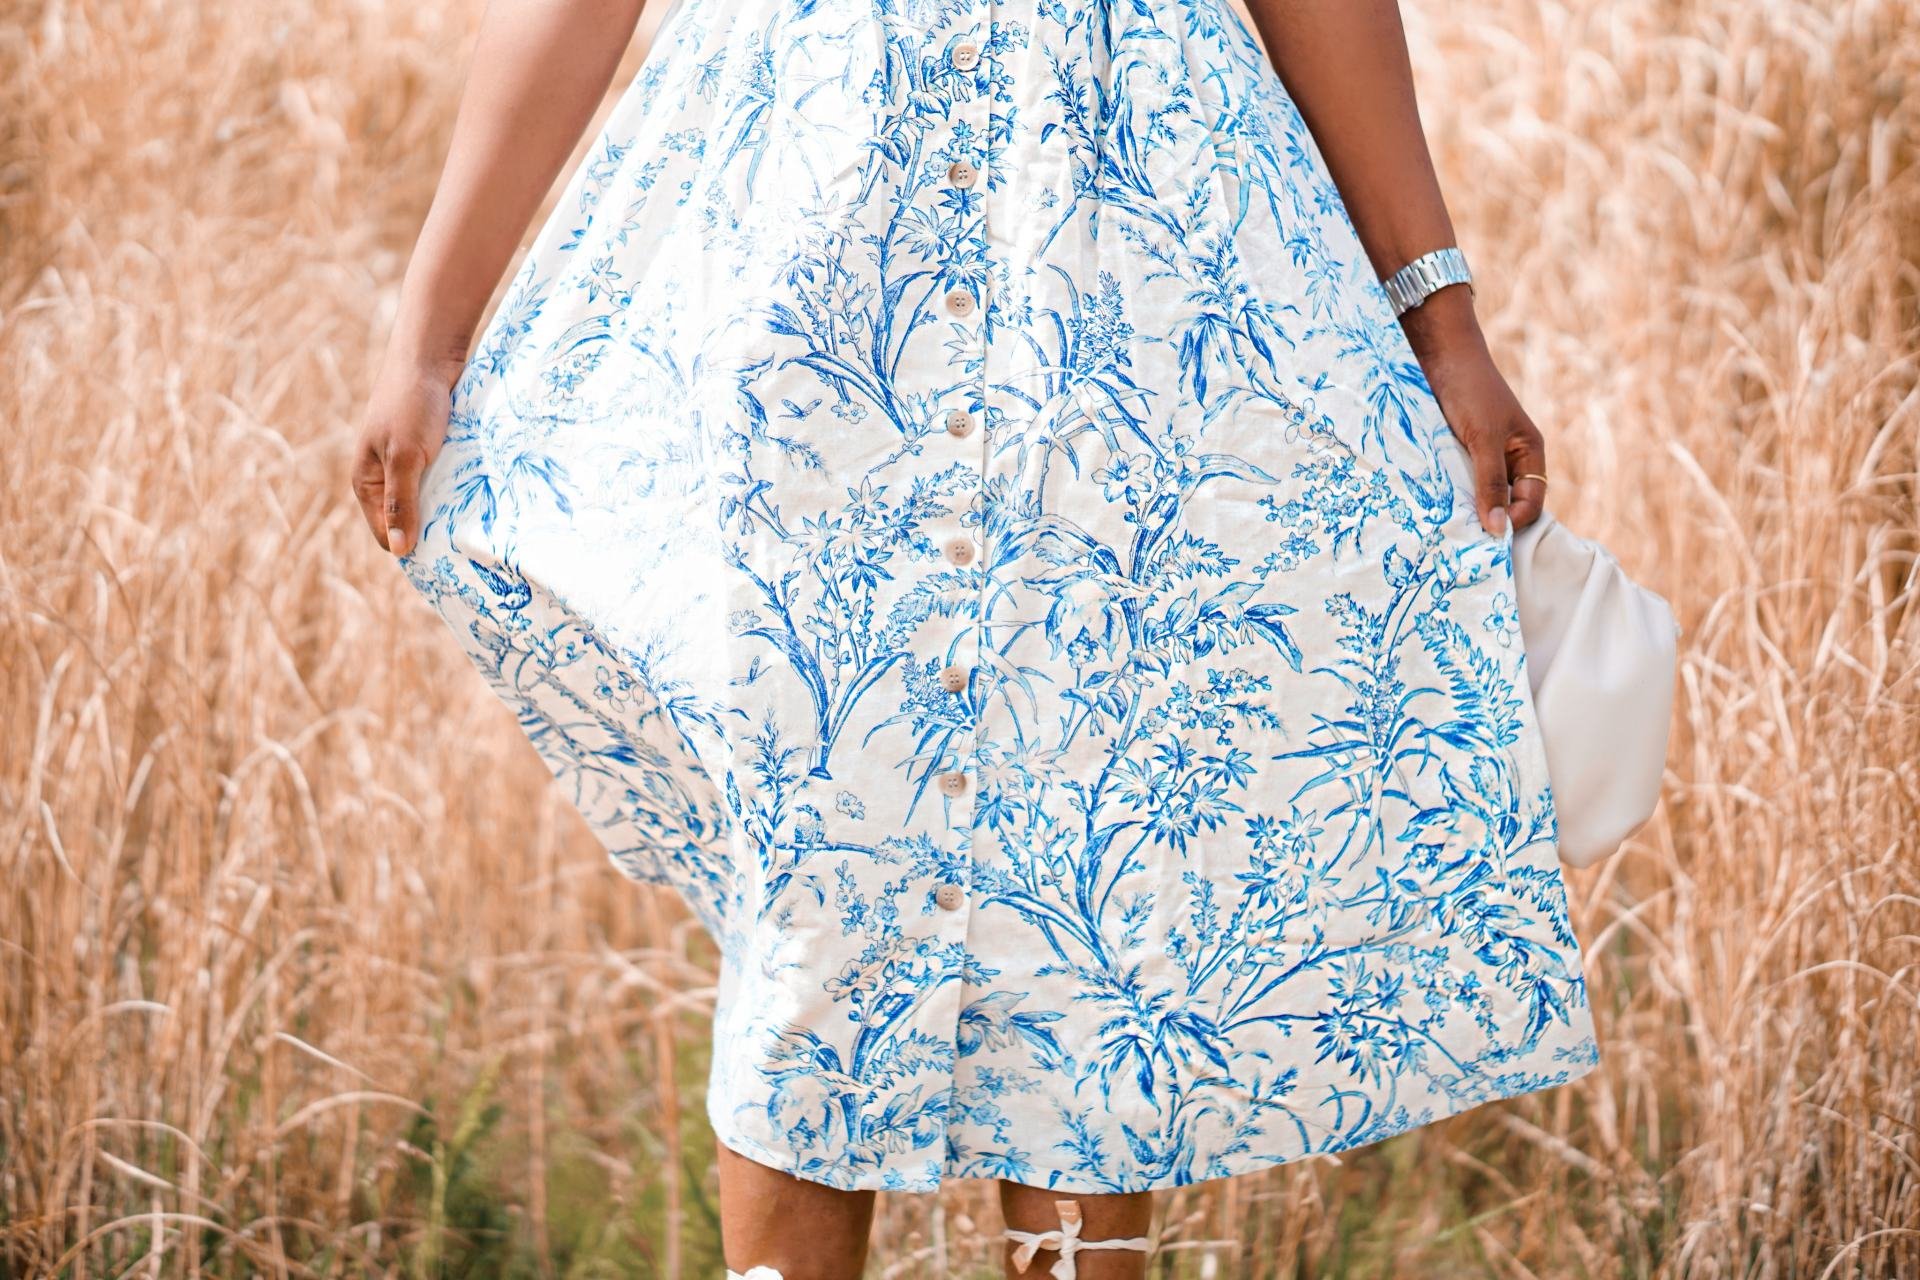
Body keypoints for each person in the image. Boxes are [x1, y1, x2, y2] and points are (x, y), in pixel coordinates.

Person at [350, 0, 1597, 1275]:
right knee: (820, 872)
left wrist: (1444, 324)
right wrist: (427, 340)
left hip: (1133, 277)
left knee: (1093, 866)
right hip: (815, 275)